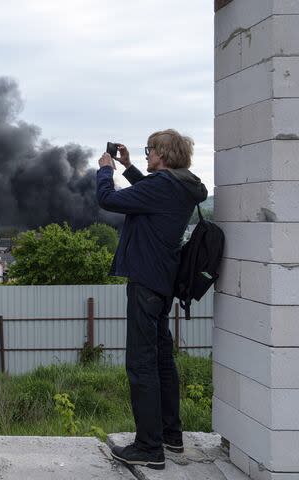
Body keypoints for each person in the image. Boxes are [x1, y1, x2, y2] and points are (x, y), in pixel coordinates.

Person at [96, 130, 208, 470]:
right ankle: (171, 436)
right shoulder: (180, 186)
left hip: (145, 283)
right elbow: (149, 193)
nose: (146, 155)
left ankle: (148, 448)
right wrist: (128, 167)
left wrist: (106, 170)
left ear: (163, 154)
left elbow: (109, 200)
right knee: (161, 359)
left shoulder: (162, 186)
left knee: (141, 363)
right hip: (161, 282)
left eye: (150, 150)